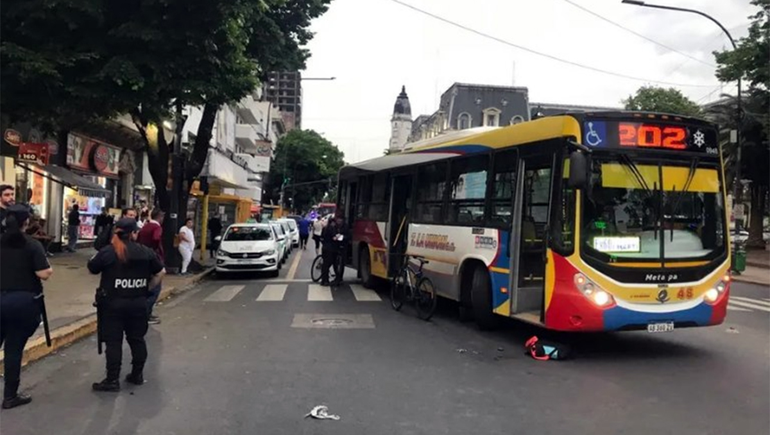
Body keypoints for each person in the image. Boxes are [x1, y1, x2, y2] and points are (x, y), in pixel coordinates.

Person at [88, 218, 165, 392]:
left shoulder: (108, 252)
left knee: (114, 342)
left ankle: (112, 379)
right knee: (137, 339)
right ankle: (137, 374)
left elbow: (92, 267)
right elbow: (161, 272)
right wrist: (147, 288)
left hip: (112, 305)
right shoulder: (146, 252)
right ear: (133, 234)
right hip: (138, 303)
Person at [0, 205, 54, 408]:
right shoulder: (32, 245)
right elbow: (43, 273)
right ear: (26, 222)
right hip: (22, 303)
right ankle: (10, 396)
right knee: (13, 350)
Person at [137, 209, 164, 324]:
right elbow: (156, 238)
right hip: (153, 260)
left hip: (142, 258)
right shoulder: (156, 227)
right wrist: (155, 250)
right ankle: (145, 314)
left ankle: (147, 313)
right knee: (155, 288)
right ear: (160, 217)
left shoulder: (145, 226)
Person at [320, 217, 342, 287]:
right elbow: (334, 238)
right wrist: (338, 236)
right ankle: (336, 279)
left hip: (325, 248)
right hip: (331, 249)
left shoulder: (325, 228)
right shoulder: (332, 228)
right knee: (332, 264)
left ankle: (324, 280)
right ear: (333, 222)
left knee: (325, 265)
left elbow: (321, 238)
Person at [332, 216, 349, 285]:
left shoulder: (345, 227)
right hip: (336, 246)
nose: (338, 221)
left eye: (340, 219)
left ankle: (340, 277)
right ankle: (337, 275)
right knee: (334, 262)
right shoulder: (335, 226)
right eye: (338, 219)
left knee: (341, 263)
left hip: (343, 246)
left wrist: (343, 237)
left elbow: (348, 236)